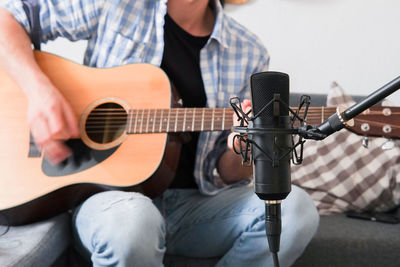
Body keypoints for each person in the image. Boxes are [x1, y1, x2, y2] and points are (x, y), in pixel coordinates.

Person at [0, 0, 319, 266]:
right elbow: (9, 15)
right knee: (134, 222)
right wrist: (40, 93)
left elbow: (228, 170)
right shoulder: (117, 5)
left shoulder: (248, 50)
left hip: (194, 205)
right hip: (110, 203)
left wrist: (242, 146)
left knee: (295, 209)